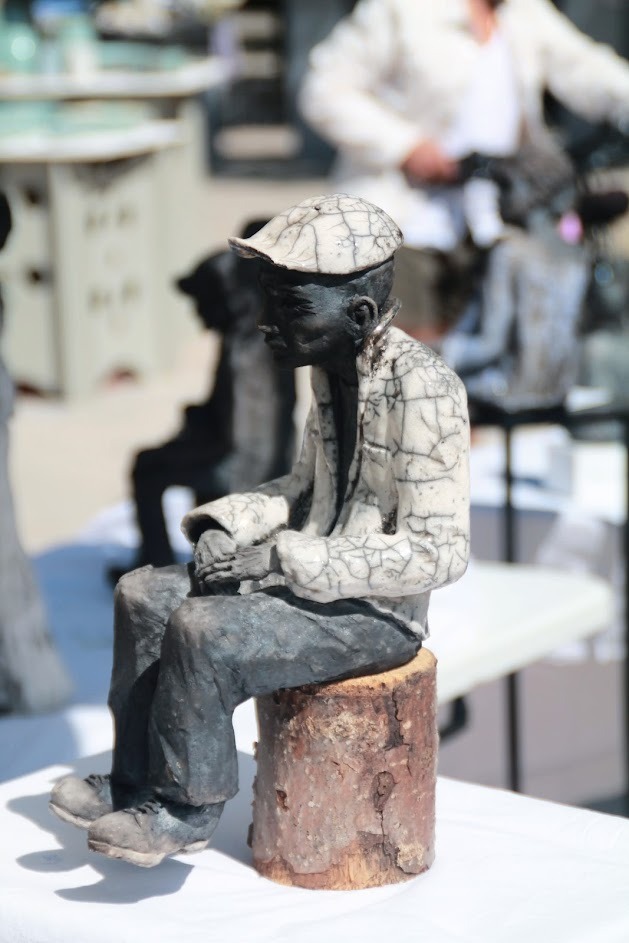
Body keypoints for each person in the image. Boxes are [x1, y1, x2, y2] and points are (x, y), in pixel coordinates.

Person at [49, 194, 470, 868]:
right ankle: (133, 778)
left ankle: (185, 806)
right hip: (310, 584)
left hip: (375, 614)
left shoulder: (425, 389)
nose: (266, 321)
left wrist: (281, 559)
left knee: (203, 629)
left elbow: (439, 552)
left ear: (359, 314)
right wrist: (227, 524)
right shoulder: (333, 376)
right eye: (269, 299)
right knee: (142, 594)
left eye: (289, 305)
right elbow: (300, 489)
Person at [299, 0, 629, 333]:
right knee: (406, 353)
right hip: (406, 223)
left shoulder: (523, 11)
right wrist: (405, 146)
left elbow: (585, 68)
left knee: (500, 348)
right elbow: (324, 89)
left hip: (491, 224)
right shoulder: (400, 9)